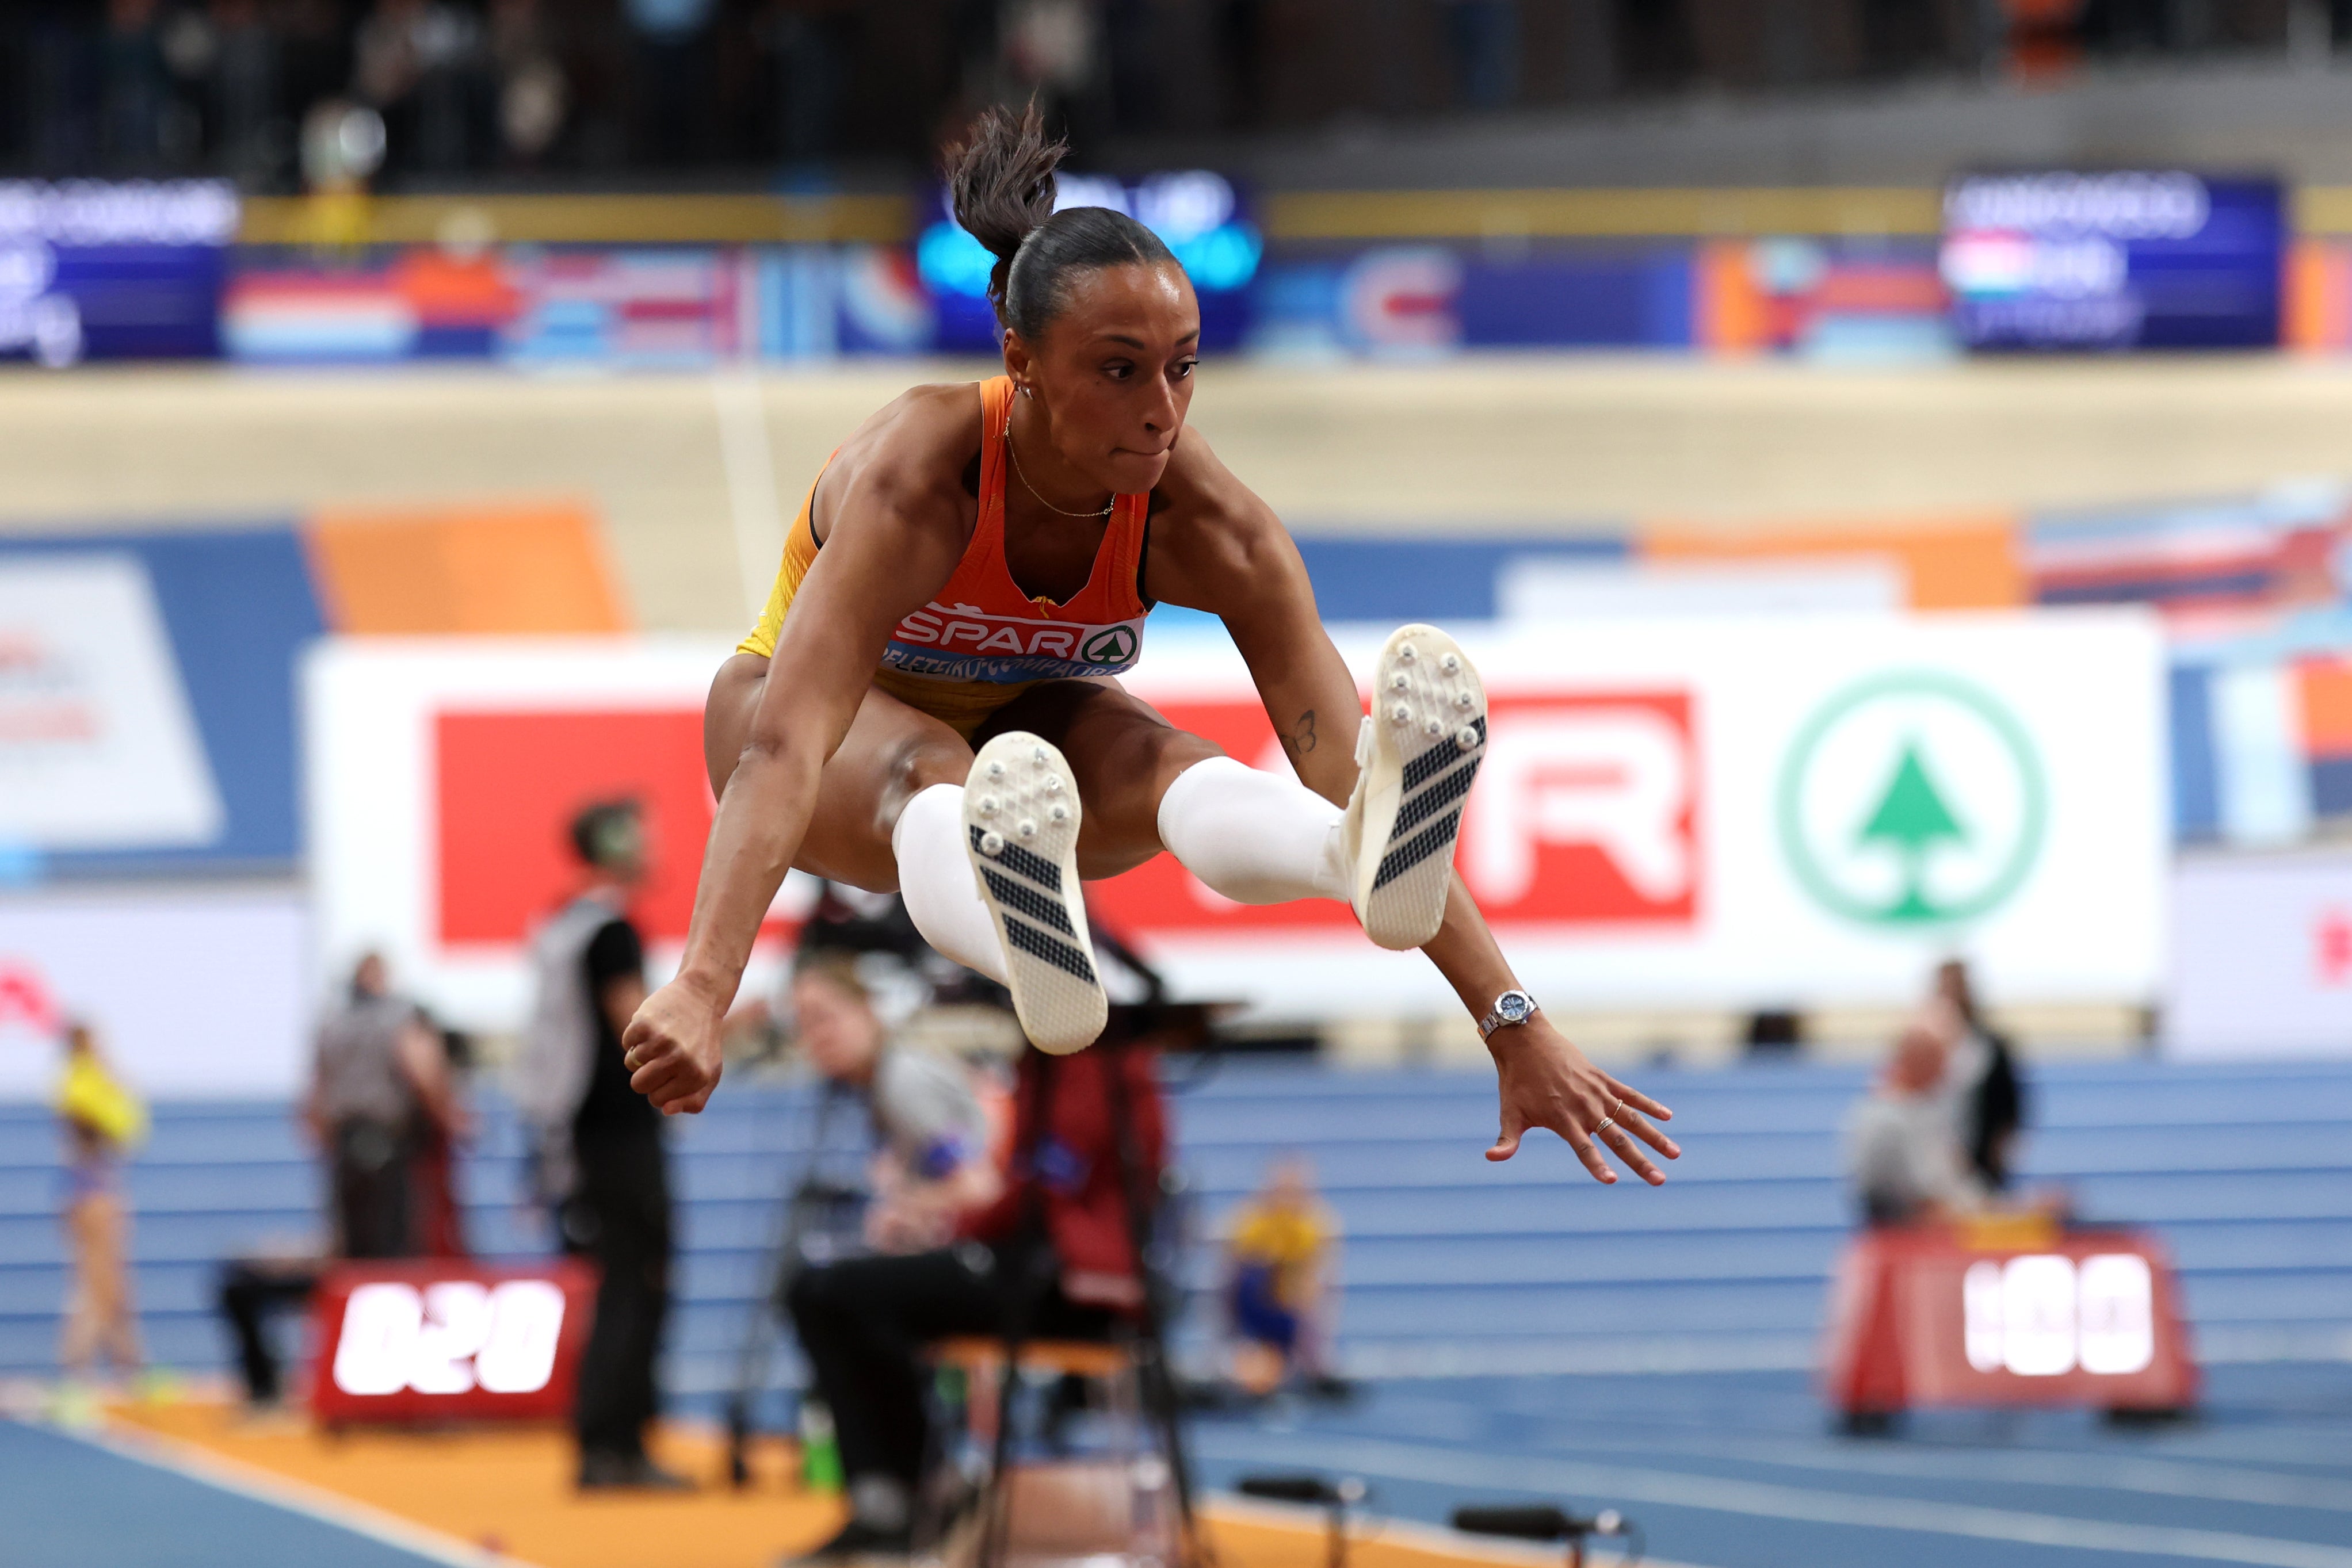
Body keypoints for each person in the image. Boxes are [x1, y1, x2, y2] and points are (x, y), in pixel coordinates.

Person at [619, 105, 1679, 1196]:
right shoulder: (920, 480)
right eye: (1118, 371)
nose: (1160, 412)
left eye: (1181, 368)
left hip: (1034, 751)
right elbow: (786, 752)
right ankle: (1028, 947)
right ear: (1019, 358)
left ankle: (1333, 865)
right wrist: (703, 985)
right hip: (816, 738)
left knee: (1169, 759)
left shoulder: (1206, 521)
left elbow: (1335, 759)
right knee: (937, 771)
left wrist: (1512, 1020)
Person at [785, 1038, 1163, 1561]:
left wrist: (957, 1221)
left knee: (834, 1293)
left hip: (1069, 1280)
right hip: (1030, 1256)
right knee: (827, 1292)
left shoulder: (1089, 1063)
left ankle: (914, 1496)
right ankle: (900, 1495)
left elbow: (1039, 1185)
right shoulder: (1048, 1062)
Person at [517, 799, 690, 1492]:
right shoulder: (610, 929)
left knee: (617, 1284)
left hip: (585, 1138)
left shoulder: (563, 925)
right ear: (613, 843)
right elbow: (642, 1029)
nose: (652, 845)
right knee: (635, 1285)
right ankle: (615, 1446)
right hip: (619, 1138)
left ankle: (609, 1444)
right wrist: (724, 1022)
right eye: (641, 834)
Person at [788, 954, 1001, 1253]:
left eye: (824, 1017)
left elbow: (978, 1188)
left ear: (868, 1009)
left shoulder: (904, 1082)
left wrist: (905, 1208)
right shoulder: (878, 1087)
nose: (817, 1037)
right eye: (803, 1026)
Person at [306, 952, 458, 1259]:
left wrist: (323, 1137)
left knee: (353, 1239)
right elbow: (421, 1070)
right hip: (390, 1137)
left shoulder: (332, 1022)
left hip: (346, 1141)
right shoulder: (398, 1017)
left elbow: (317, 1089)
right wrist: (449, 1115)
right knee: (395, 1239)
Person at [55, 1022, 147, 1403]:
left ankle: (130, 1365)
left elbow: (130, 1127)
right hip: (91, 1196)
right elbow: (114, 1129)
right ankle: (77, 1371)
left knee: (114, 1285)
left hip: (98, 1192)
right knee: (96, 1287)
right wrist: (112, 1088)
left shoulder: (86, 1084)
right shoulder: (78, 1087)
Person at [1843, 1022, 1984, 1227]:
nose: (1944, 1073)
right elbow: (1908, 1200)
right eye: (1939, 1063)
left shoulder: (1929, 1111)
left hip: (1948, 1222)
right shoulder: (1881, 1119)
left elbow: (1953, 1178)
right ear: (1917, 1061)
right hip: (1909, 1235)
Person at [1221, 1155, 1339, 1397]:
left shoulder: (1315, 1225)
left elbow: (1321, 1286)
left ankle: (1280, 1368)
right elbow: (1232, 1283)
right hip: (1256, 1314)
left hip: (1291, 1314)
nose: (1287, 1198)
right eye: (1282, 1189)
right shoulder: (1249, 1222)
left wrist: (1315, 1345)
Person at [1934, 958, 2026, 1192]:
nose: (1954, 994)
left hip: (1981, 1163)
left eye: (1959, 986)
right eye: (1947, 986)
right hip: (1932, 1163)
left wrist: (1999, 1150)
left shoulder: (1992, 1046)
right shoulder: (1921, 1048)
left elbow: (2012, 1105)